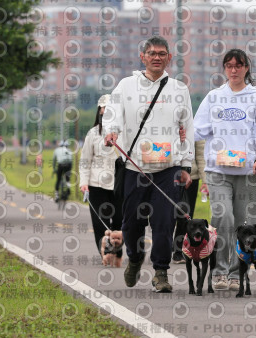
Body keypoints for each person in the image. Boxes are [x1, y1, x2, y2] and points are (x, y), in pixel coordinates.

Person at [104, 35, 194, 293]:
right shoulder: (126, 86)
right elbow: (113, 116)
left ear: (169, 58)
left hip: (169, 168)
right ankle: (134, 257)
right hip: (134, 166)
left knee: (164, 221)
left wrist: (186, 167)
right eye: (152, 53)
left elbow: (187, 128)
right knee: (132, 223)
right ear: (142, 57)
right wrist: (110, 132)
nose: (157, 57)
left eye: (162, 53)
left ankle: (161, 272)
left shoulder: (179, 90)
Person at [193, 48, 256, 291]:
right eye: (229, 65)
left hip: (249, 173)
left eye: (238, 65)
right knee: (223, 217)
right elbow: (197, 129)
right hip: (218, 171)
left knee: (245, 223)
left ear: (247, 68)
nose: (234, 69)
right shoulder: (213, 97)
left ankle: (235, 273)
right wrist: (180, 129)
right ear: (224, 69)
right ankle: (218, 271)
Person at [79, 94, 123, 266]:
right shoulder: (92, 134)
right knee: (100, 223)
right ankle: (105, 253)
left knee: (119, 221)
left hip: (119, 184)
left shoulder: (124, 134)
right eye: (103, 109)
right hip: (96, 184)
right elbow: (85, 160)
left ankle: (117, 251)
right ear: (99, 111)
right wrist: (84, 182)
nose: (105, 112)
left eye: (109, 110)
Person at [172, 140, 207, 263]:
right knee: (167, 214)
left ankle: (178, 250)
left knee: (186, 216)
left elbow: (200, 157)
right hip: (169, 175)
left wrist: (205, 181)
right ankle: (164, 248)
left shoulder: (195, 128)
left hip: (191, 178)